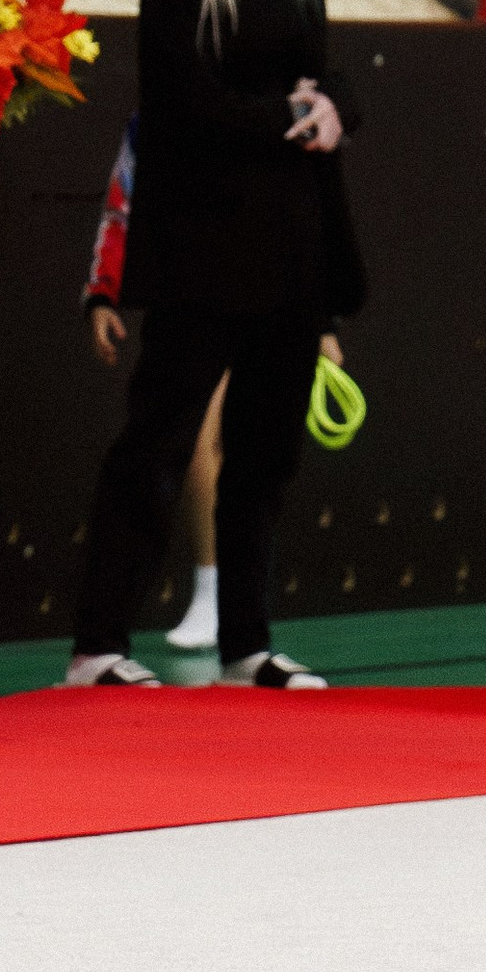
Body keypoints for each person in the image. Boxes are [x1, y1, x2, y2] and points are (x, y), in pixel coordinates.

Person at [63, 0, 363, 691]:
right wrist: (288, 115)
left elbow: (325, 83)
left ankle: (248, 644)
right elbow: (183, 104)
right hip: (201, 250)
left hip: (291, 251)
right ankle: (98, 646)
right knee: (157, 444)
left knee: (266, 457)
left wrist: (334, 113)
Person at [85, 127, 347, 653]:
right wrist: (102, 294)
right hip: (195, 295)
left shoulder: (278, 114)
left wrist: (319, 322)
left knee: (248, 444)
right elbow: (123, 199)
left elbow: (306, 213)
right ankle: (211, 588)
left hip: (269, 298)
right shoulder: (161, 118)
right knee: (197, 442)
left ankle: (235, 608)